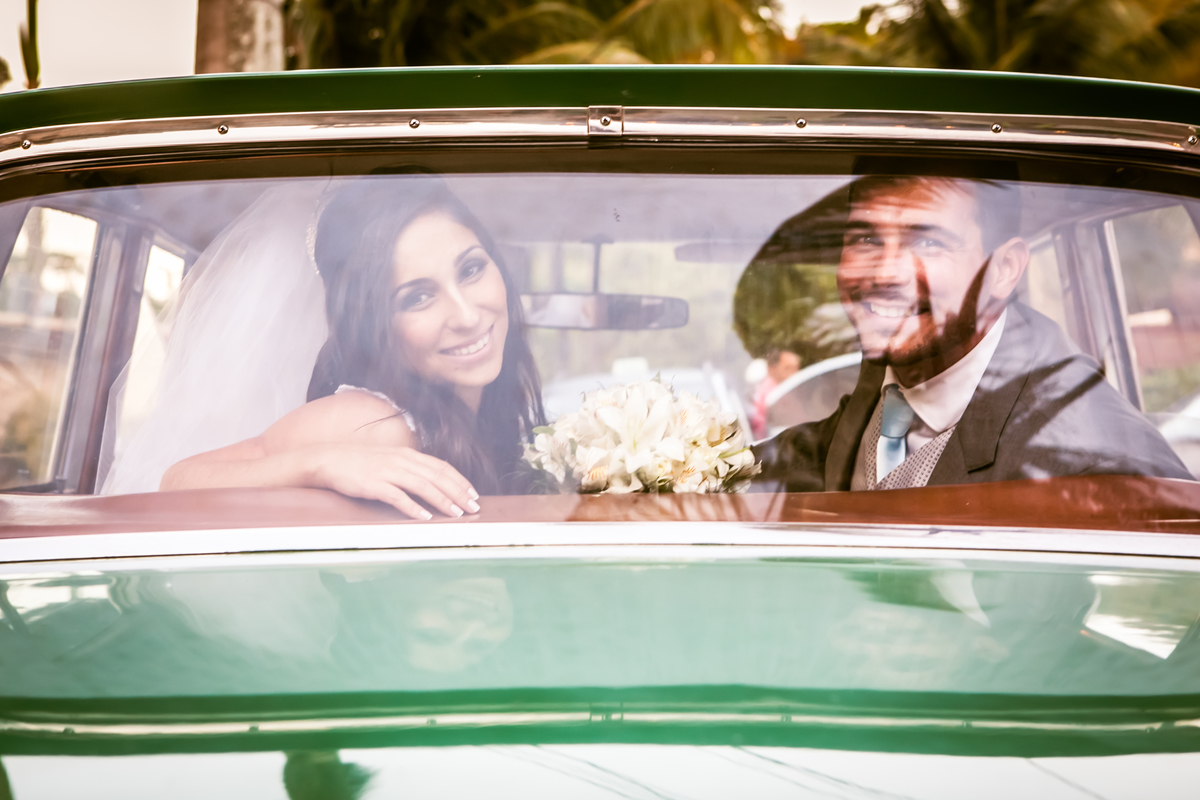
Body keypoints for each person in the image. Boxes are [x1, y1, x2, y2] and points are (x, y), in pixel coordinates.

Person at [754, 174, 1191, 491]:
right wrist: (702, 462)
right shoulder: (899, 365)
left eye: (927, 242)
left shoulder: (1093, 460)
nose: (886, 273)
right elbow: (831, 448)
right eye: (865, 240)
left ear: (1003, 271)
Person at [160, 178, 545, 518]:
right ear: (374, 325)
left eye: (471, 270)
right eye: (418, 298)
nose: (466, 316)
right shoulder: (373, 424)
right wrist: (321, 463)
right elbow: (177, 484)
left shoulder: (486, 399)